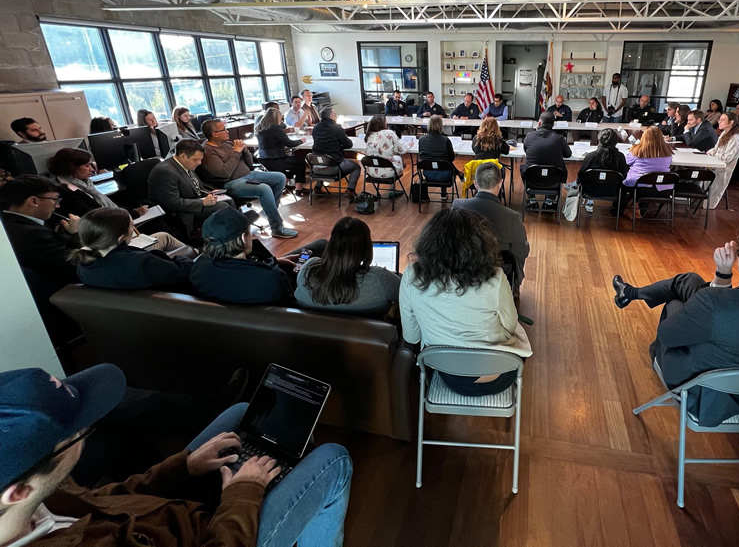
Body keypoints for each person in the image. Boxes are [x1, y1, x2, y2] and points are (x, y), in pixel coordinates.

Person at [0, 363, 352, 547]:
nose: (87, 431)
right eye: (77, 432)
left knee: (241, 413)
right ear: (18, 491)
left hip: (171, 518)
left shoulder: (42, 497)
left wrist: (182, 467)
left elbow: (108, 503)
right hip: (220, 535)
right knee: (334, 459)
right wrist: (242, 495)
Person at [612, 217, 739, 426]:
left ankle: (631, 294)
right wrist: (722, 277)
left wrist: (718, 283)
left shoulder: (714, 303)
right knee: (691, 282)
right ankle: (630, 293)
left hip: (702, 396)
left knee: (675, 302)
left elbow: (667, 335)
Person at [399, 208, 532, 395]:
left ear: (429, 242)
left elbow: (411, 337)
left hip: (446, 372)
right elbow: (509, 325)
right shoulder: (495, 278)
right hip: (497, 374)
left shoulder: (412, 276)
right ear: (480, 244)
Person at [202, 118, 297, 238]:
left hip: (248, 175)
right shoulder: (208, 151)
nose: (227, 131)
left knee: (280, 177)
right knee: (264, 189)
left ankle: (267, 210)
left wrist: (245, 150)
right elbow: (225, 173)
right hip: (230, 183)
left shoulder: (228, 144)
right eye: (223, 129)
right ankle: (277, 228)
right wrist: (236, 152)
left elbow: (250, 164)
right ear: (214, 134)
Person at [190, 206, 302, 304]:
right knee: (318, 247)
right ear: (243, 238)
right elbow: (293, 304)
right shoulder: (272, 278)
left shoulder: (198, 268)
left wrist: (273, 262)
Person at [295, 217, 401, 315]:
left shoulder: (307, 270)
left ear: (331, 244)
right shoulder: (381, 278)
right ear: (366, 248)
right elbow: (407, 293)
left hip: (314, 332)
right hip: (367, 333)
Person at [73, 207, 192, 290]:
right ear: (120, 238)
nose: (133, 230)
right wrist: (183, 259)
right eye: (131, 226)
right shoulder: (143, 263)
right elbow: (184, 273)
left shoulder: (83, 265)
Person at [452, 163, 529, 289]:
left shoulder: (457, 207)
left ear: (475, 183)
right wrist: (516, 281)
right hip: (497, 274)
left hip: (462, 272)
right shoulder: (512, 217)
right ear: (500, 183)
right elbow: (520, 251)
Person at [0, 175, 80, 295]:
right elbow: (76, 268)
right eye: (55, 199)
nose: (57, 206)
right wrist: (76, 234)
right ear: (34, 201)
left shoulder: (8, 223)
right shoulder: (33, 234)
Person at [147, 139, 233, 234]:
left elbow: (196, 186)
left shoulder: (185, 163)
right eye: (196, 159)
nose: (200, 163)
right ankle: (223, 238)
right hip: (184, 212)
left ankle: (237, 233)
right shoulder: (165, 172)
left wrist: (209, 193)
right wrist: (202, 203)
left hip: (196, 199)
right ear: (183, 156)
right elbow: (172, 203)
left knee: (229, 200)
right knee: (222, 206)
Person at [48, 147, 154, 220]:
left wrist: (131, 211)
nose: (92, 170)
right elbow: (97, 217)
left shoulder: (85, 184)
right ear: (72, 168)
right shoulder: (68, 194)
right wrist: (134, 214)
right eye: (87, 166)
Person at [521, 112, 571, 210]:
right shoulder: (559, 138)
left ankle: (532, 200)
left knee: (524, 168)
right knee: (560, 169)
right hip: (553, 178)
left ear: (539, 123)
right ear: (553, 124)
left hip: (532, 178)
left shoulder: (529, 136)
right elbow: (568, 154)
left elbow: (526, 150)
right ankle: (549, 202)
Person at [621, 126, 673, 214]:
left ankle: (623, 208)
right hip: (662, 188)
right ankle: (641, 208)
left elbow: (627, 162)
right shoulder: (668, 152)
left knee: (625, 178)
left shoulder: (636, 150)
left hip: (639, 187)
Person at [311, 107, 360, 200]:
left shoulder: (316, 128)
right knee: (356, 167)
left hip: (316, 168)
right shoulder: (337, 128)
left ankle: (317, 188)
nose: (336, 116)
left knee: (322, 159)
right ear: (331, 116)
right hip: (333, 168)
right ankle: (350, 190)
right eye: (335, 115)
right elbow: (348, 144)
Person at [255, 107, 306, 195]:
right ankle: (299, 188)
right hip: (275, 159)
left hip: (263, 159)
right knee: (300, 163)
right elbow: (289, 143)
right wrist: (301, 140)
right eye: (280, 117)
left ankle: (284, 184)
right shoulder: (275, 128)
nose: (281, 119)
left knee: (293, 165)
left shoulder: (260, 127)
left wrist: (281, 124)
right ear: (276, 117)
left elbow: (282, 127)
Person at [578, 128, 627, 213]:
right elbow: (624, 176)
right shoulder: (620, 157)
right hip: (613, 191)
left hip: (589, 190)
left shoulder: (590, 156)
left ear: (599, 140)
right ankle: (616, 211)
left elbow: (581, 175)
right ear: (615, 142)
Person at [706, 111, 739, 209]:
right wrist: (709, 153)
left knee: (714, 193)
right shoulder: (724, 133)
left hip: (723, 169)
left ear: (731, 122)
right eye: (719, 119)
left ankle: (708, 206)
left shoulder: (735, 138)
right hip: (714, 164)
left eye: (722, 120)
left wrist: (713, 156)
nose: (719, 122)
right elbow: (715, 149)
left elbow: (726, 158)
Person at [417, 115, 460, 198]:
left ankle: (424, 196)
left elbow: (421, 156)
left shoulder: (421, 139)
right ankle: (443, 193)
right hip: (445, 174)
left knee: (437, 162)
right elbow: (451, 158)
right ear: (441, 126)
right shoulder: (445, 140)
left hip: (428, 173)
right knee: (444, 163)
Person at [364, 115, 407, 192]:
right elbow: (402, 149)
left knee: (387, 157)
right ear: (383, 123)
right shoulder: (389, 133)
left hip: (371, 171)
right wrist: (409, 145)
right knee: (398, 157)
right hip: (388, 171)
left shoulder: (369, 135)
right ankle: (392, 190)